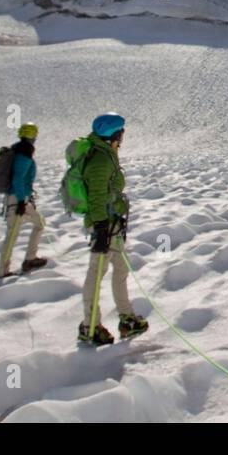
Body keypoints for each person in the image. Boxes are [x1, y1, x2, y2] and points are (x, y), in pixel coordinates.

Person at [78, 112, 148, 345]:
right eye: (121, 131)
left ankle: (126, 318)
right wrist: (100, 227)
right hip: (104, 225)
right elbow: (97, 194)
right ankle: (90, 326)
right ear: (114, 133)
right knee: (96, 273)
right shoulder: (100, 160)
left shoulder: (105, 154)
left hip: (110, 224)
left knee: (120, 269)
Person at [0, 123, 47, 278]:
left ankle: (29, 259)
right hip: (18, 199)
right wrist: (21, 201)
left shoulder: (17, 150)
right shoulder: (24, 153)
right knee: (13, 234)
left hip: (18, 198)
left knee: (39, 224)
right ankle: (4, 271)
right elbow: (18, 179)